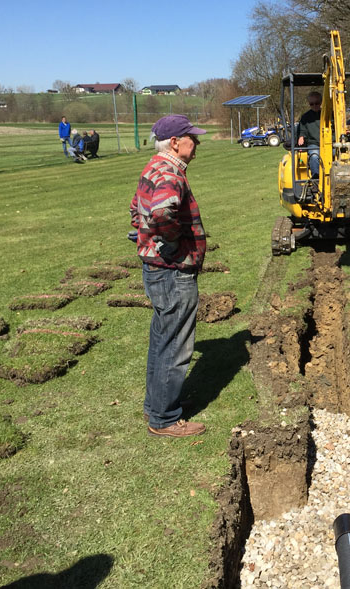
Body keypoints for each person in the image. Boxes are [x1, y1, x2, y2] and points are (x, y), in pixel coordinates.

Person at [129, 114, 208, 438]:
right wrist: (175, 246)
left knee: (163, 339)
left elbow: (136, 210)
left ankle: (157, 405)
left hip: (157, 270)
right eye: (192, 137)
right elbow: (162, 213)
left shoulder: (153, 168)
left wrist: (147, 236)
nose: (197, 142)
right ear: (175, 142)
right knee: (176, 345)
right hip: (173, 272)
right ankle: (164, 419)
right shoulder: (170, 173)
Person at [297, 91, 322, 178]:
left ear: (321, 102)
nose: (314, 106)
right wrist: (301, 136)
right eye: (312, 104)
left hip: (329, 143)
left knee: (339, 154)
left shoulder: (329, 115)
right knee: (314, 155)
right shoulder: (305, 117)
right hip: (313, 143)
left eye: (317, 103)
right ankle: (316, 178)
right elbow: (302, 130)